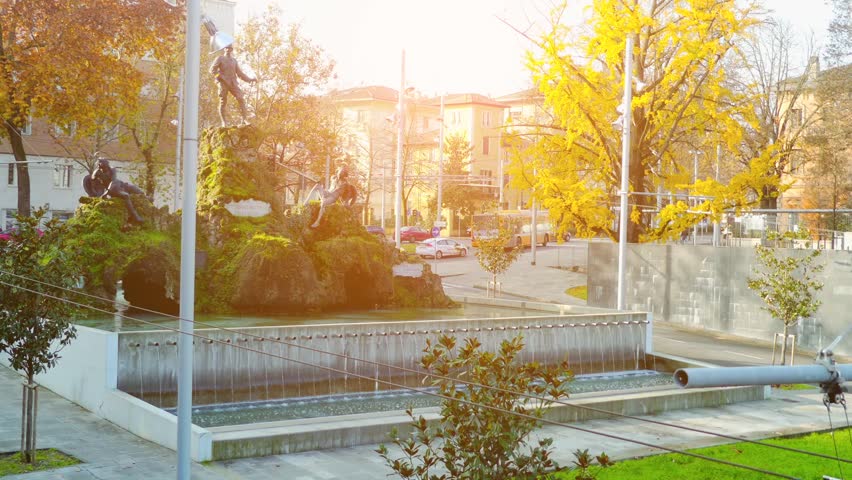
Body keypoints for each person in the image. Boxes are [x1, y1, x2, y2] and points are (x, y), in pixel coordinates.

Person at [209, 45, 256, 127]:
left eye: (229, 48)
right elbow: (212, 70)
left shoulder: (234, 61)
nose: (228, 49)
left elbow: (240, 73)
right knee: (223, 102)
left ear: (231, 50)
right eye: (226, 48)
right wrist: (219, 77)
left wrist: (250, 79)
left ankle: (244, 119)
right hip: (223, 83)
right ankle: (224, 122)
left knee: (240, 98)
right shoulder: (220, 58)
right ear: (224, 49)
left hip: (233, 83)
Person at [90, 158, 145, 224]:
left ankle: (147, 198)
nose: (99, 164)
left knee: (137, 190)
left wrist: (106, 193)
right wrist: (97, 193)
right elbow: (91, 182)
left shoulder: (112, 169)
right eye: (99, 163)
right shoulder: (97, 172)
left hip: (119, 185)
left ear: (106, 164)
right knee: (126, 196)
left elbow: (114, 181)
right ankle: (135, 216)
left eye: (101, 163)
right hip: (113, 190)